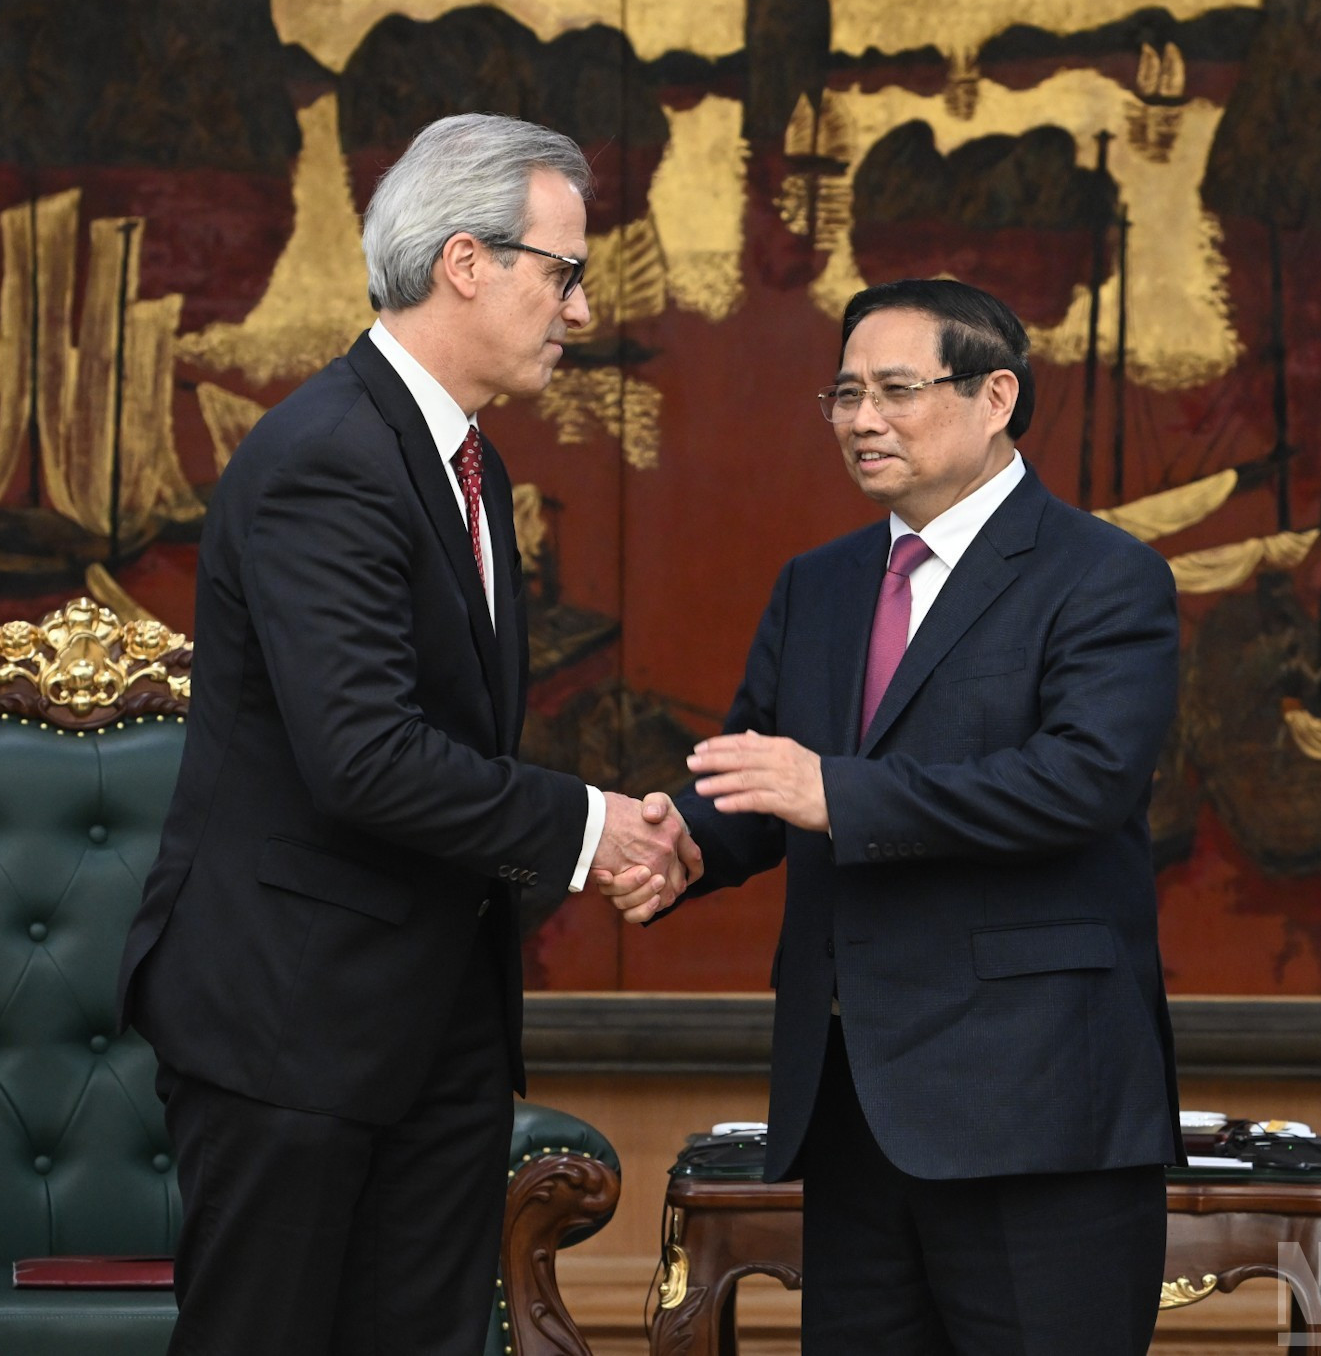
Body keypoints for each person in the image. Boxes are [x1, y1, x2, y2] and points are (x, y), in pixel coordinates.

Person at [117, 113, 698, 1356]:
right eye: (564, 273)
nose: (580, 313)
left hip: (429, 1022)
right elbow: (365, 758)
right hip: (294, 1023)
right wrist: (594, 828)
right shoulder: (328, 457)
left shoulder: (454, 462)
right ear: (466, 263)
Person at [599, 278, 1182, 1355]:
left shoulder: (1105, 577)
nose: (861, 420)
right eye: (844, 394)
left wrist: (837, 792)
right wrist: (682, 843)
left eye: (896, 391)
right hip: (852, 1108)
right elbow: (761, 781)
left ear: (995, 394)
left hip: (1035, 1111)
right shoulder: (815, 587)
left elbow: (1081, 783)